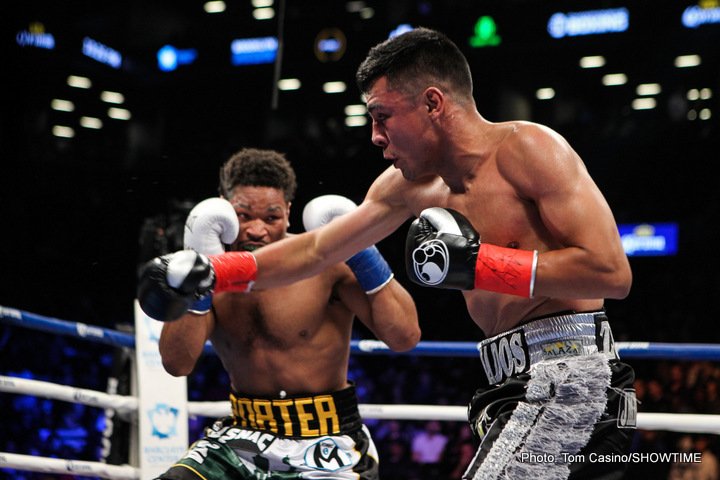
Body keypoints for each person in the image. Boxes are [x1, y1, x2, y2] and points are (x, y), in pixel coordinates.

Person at [138, 28, 636, 479]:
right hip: (505, 381)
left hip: (571, 377)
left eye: (383, 117)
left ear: (433, 104)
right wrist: (211, 270)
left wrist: (481, 265)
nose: (375, 136)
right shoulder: (409, 186)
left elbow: (610, 273)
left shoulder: (527, 148)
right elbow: (314, 249)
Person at [152, 148, 420, 479]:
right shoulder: (210, 274)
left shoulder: (326, 265)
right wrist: (196, 274)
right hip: (242, 439)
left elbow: (405, 336)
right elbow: (176, 363)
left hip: (328, 437)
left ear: (289, 213)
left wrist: (359, 248)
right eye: (244, 216)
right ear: (221, 210)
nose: (256, 230)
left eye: (271, 217)